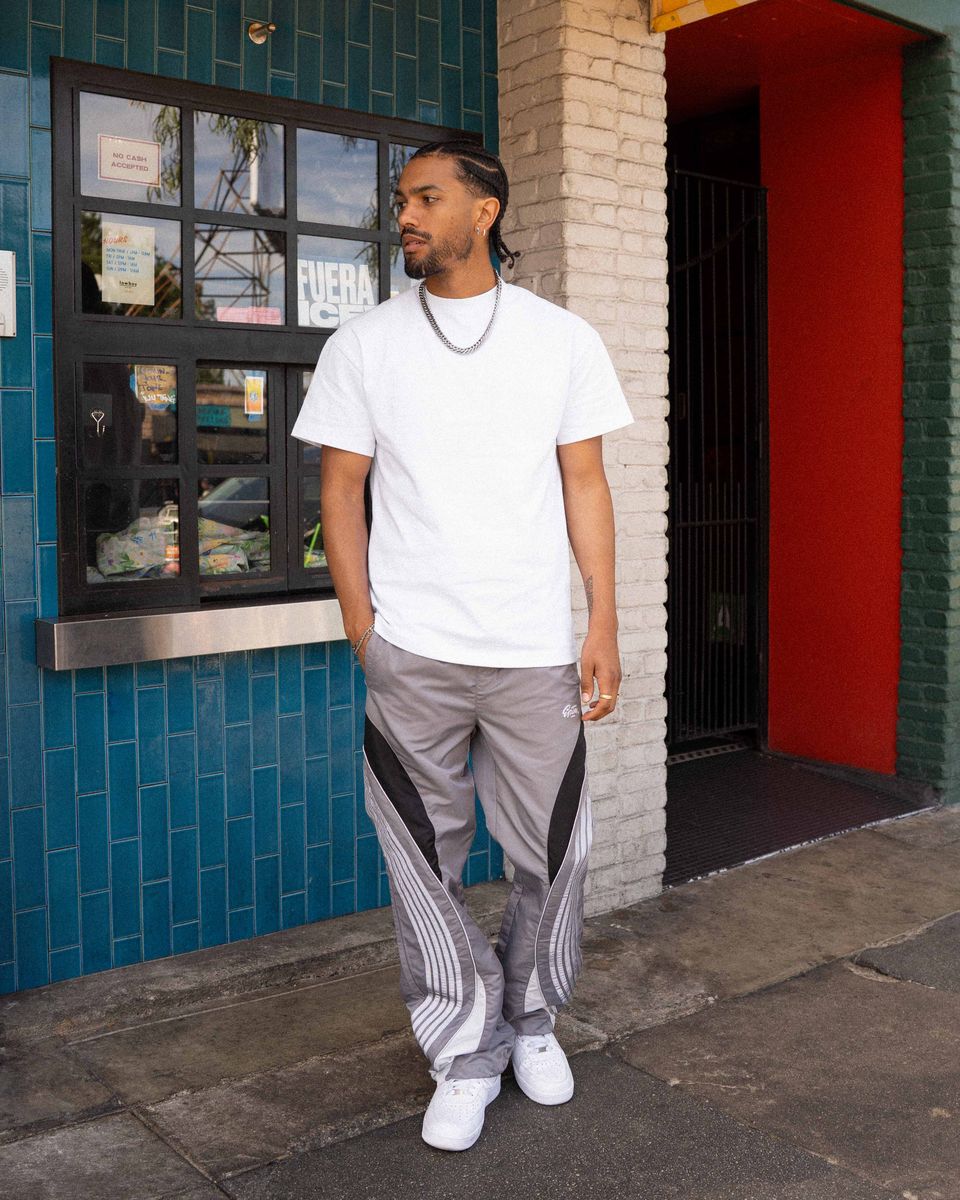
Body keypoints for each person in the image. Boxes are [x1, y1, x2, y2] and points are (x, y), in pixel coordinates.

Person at [291, 138, 634, 1152]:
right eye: (400, 199)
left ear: (483, 210)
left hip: (533, 650)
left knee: (557, 854)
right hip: (415, 653)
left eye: (425, 197)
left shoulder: (560, 340)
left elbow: (585, 485)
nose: (404, 214)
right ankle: (465, 1042)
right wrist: (366, 632)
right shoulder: (363, 345)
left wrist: (602, 618)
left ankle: (531, 1018)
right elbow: (339, 493)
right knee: (420, 858)